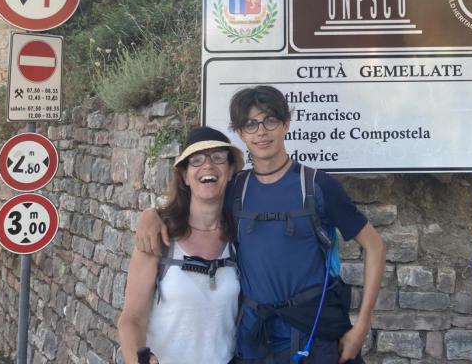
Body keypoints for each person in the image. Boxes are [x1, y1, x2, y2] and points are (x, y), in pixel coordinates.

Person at [136, 85, 386, 364]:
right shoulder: (236, 188)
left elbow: (374, 246)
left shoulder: (316, 186)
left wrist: (362, 325)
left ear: (286, 125)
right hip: (256, 339)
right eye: (251, 124)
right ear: (240, 133)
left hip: (313, 335)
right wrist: (152, 214)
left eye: (270, 121)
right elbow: (193, 200)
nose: (261, 132)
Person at [118, 126, 245, 364]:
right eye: (196, 160)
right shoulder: (159, 236)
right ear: (185, 176)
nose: (208, 166)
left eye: (218, 158)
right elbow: (131, 318)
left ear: (229, 171)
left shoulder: (240, 237)